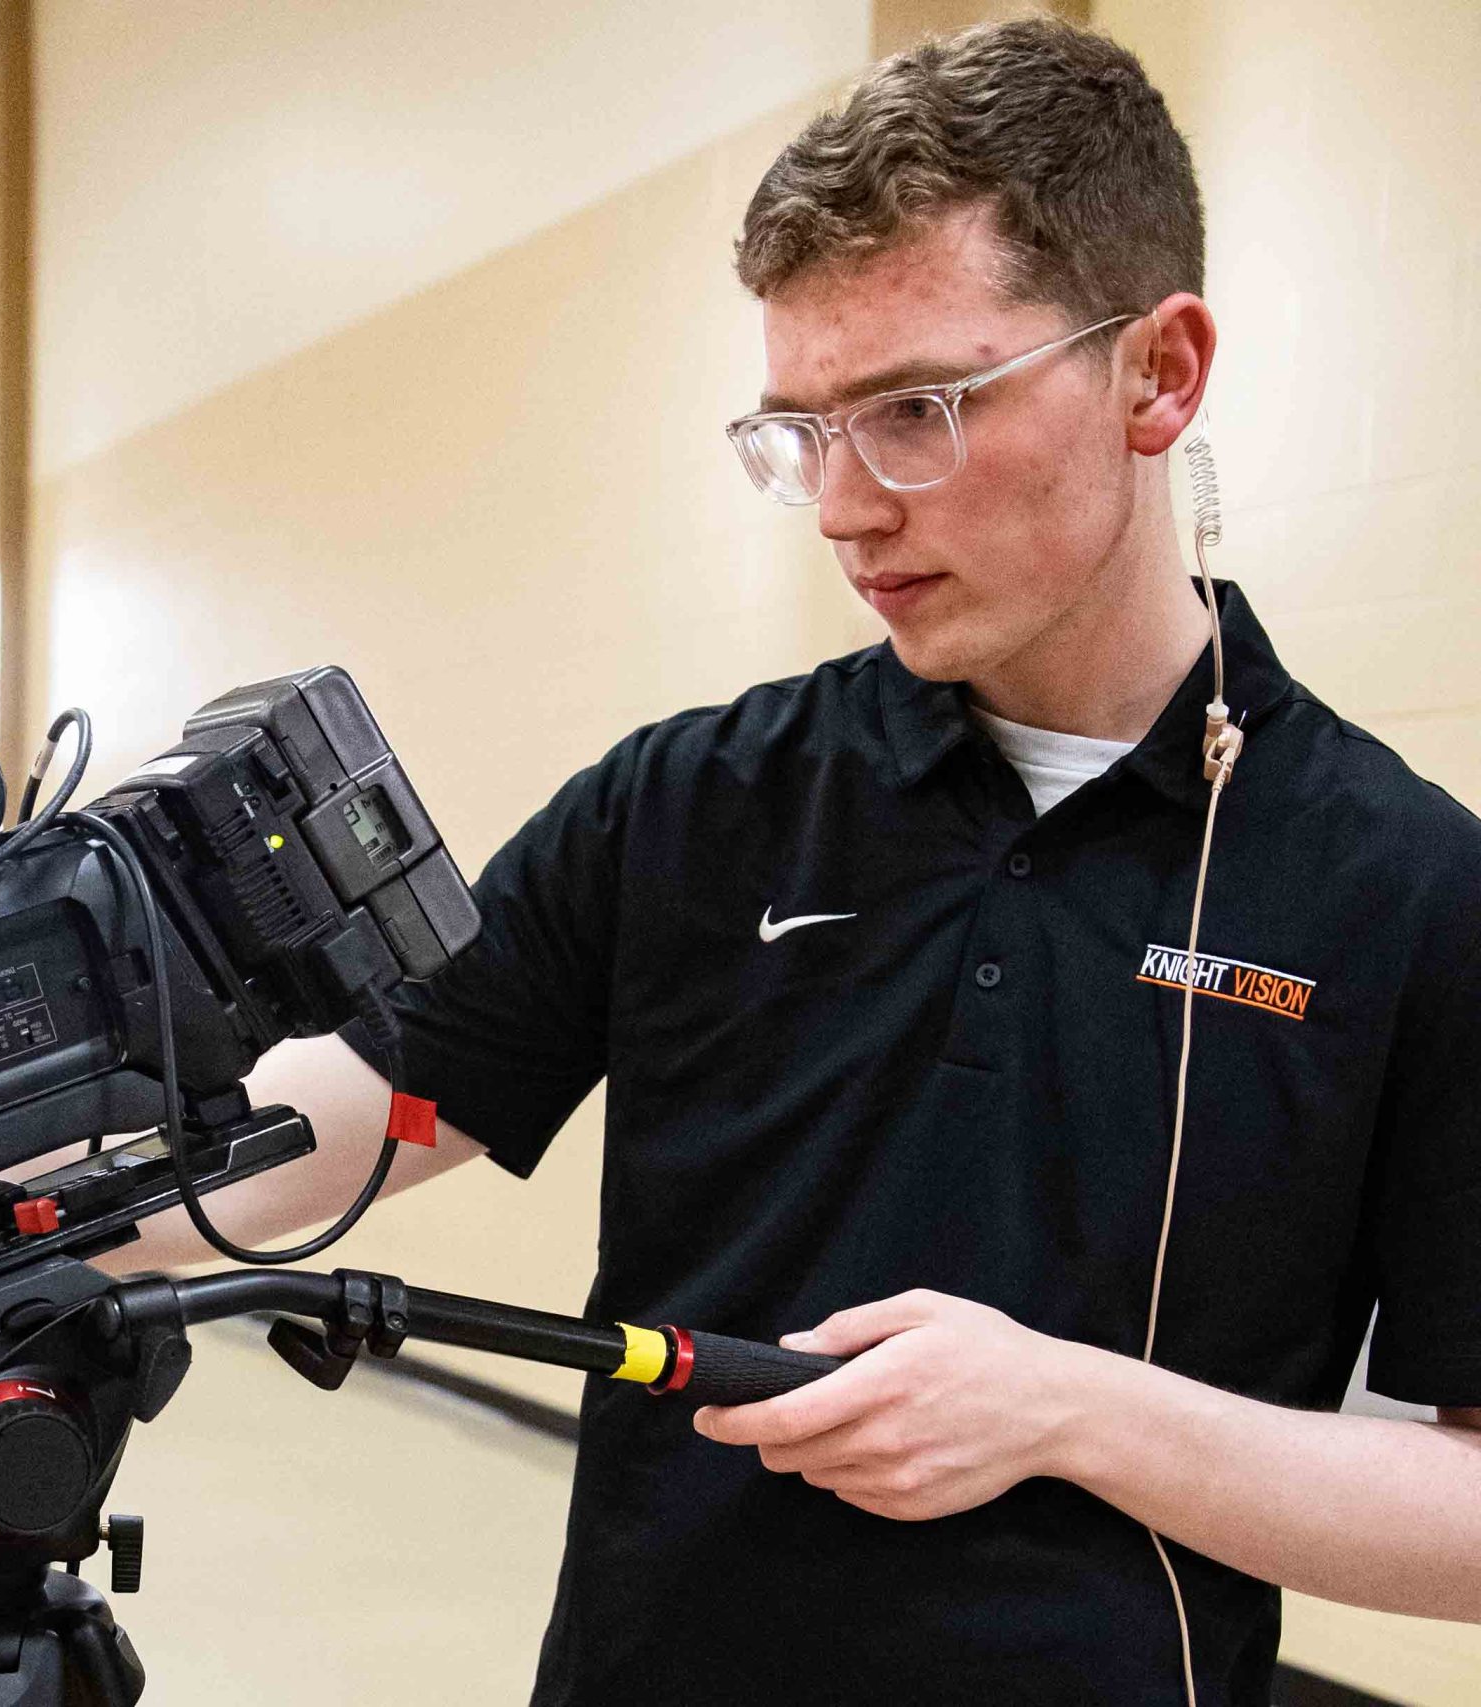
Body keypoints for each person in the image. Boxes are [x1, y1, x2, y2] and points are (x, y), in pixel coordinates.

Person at [117, 19, 1481, 1704]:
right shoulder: (698, 799)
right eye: (800, 431)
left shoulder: (1405, 884)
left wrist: (1069, 1406)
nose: (845, 505)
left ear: (1163, 372)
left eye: (919, 409)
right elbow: (377, 1109)